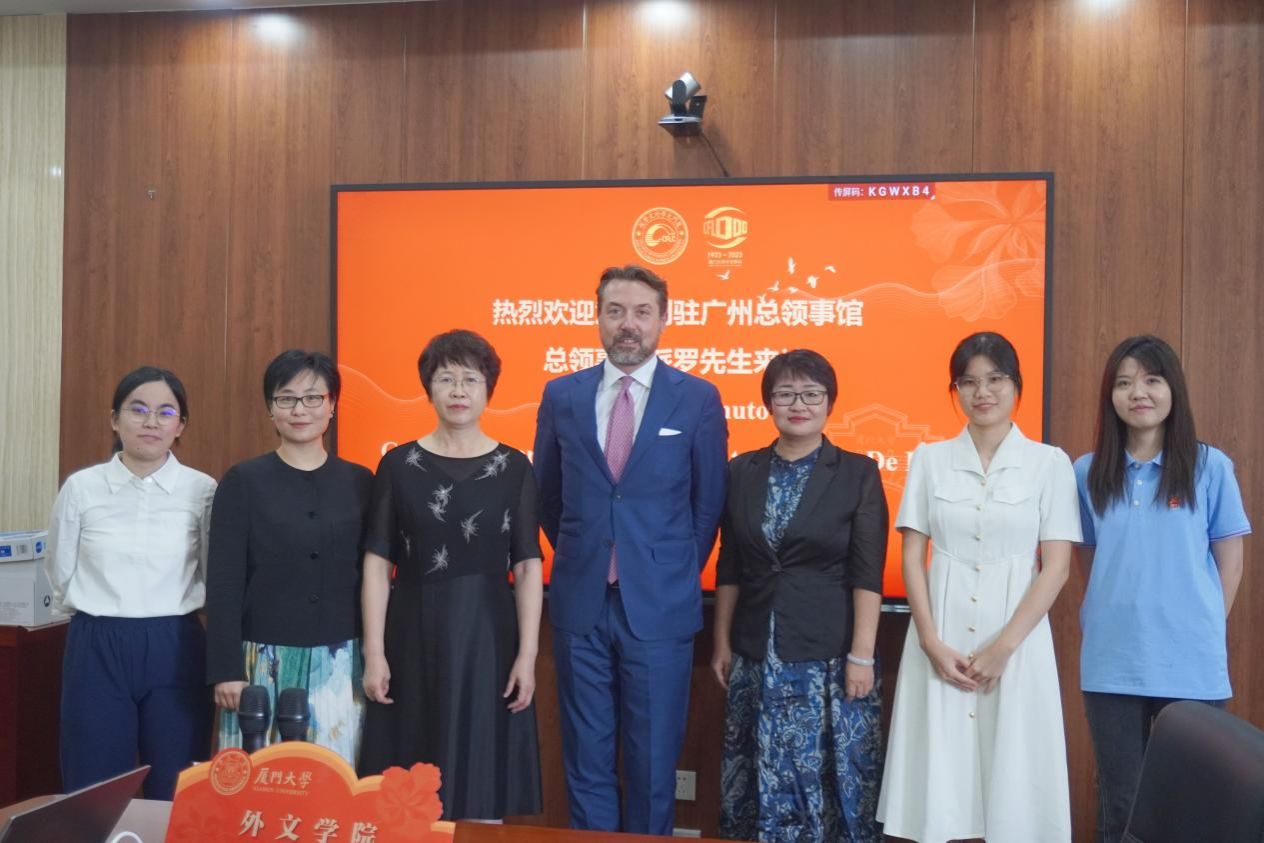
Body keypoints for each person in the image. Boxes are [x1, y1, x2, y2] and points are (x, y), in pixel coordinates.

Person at [534, 263, 729, 835]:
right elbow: (548, 495)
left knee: (651, 764)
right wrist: (588, 555)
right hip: (581, 602)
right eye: (615, 311)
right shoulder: (562, 395)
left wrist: (667, 571)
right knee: (586, 759)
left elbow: (707, 505)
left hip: (660, 607)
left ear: (663, 320)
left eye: (642, 313)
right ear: (597, 317)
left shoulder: (697, 399)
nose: (628, 324)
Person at [877, 332, 1081, 843]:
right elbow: (912, 555)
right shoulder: (930, 459)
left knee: (1015, 780)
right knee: (940, 784)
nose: (982, 392)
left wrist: (1002, 648)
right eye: (968, 382)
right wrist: (929, 641)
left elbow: (1056, 567)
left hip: (1017, 641)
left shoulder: (1049, 463)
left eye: (995, 379)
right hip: (941, 638)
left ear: (1016, 385)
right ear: (955, 390)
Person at [358, 329, 543, 821]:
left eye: (470, 379)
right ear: (429, 388)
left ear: (488, 389)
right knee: (407, 785)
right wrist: (374, 653)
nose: (458, 390)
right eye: (446, 379)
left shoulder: (514, 467)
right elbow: (377, 563)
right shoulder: (398, 465)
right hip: (412, 631)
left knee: (481, 780)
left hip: (488, 636)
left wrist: (527, 656)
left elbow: (528, 565)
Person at [1074, 334, 1251, 843]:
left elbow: (1231, 562)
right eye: (1124, 383)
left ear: (1173, 389)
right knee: (1121, 806)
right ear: (1110, 395)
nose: (1138, 393)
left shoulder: (1209, 466)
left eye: (1152, 380)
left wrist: (1203, 627)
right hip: (1112, 662)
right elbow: (1089, 560)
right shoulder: (1087, 471)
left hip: (1191, 663)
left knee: (1192, 805)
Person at [711, 349, 888, 842]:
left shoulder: (857, 473)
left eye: (812, 394)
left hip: (827, 658)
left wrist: (862, 655)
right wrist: (722, 642)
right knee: (757, 777)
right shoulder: (742, 471)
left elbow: (867, 573)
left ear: (830, 402)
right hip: (754, 653)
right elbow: (730, 564)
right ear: (769, 402)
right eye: (786, 394)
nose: (798, 405)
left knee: (823, 783)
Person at [45, 366, 216, 800]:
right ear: (114, 419)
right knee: (95, 786)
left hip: (175, 643)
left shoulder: (201, 490)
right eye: (137, 410)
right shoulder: (82, 488)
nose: (151, 422)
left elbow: (212, 571)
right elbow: (59, 568)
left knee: (177, 785)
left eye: (165, 412)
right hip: (97, 643)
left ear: (181, 426)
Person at [204, 350, 373, 764]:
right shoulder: (243, 481)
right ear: (271, 408)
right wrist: (226, 670)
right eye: (286, 398)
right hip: (260, 664)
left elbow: (374, 576)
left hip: (340, 662)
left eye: (313, 398)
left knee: (335, 778)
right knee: (262, 781)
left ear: (332, 405)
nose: (300, 410)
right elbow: (224, 581)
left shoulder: (360, 482)